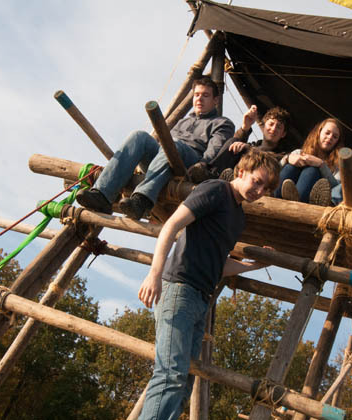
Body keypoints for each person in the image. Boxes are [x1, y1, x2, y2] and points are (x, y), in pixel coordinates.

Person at [137, 148, 281, 420]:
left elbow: (220, 265)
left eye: (266, 188)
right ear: (241, 171)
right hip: (179, 288)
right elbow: (172, 225)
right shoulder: (215, 190)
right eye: (257, 181)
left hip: (201, 299)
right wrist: (154, 274)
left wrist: (255, 266)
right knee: (170, 375)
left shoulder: (238, 217)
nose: (260, 191)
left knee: (183, 384)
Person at [76, 76, 234, 220]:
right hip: (165, 158)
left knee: (173, 145)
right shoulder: (183, 121)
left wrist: (202, 167)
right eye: (197, 95)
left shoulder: (222, 123)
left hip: (190, 164)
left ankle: (142, 200)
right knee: (139, 136)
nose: (199, 99)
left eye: (205, 95)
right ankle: (102, 194)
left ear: (215, 100)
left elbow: (214, 152)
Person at [187, 105, 291, 182]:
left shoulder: (282, 154)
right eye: (271, 124)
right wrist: (245, 127)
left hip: (254, 182)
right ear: (263, 126)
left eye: (278, 127)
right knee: (233, 142)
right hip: (232, 174)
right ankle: (210, 173)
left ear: (283, 134)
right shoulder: (254, 145)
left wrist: (250, 150)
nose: (273, 129)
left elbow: (274, 159)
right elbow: (235, 142)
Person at [273, 118, 343, 204]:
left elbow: (337, 188)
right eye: (327, 133)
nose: (330, 137)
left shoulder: (337, 164)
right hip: (278, 195)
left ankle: (296, 201)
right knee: (290, 167)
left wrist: (321, 165)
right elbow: (275, 173)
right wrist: (287, 158)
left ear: (337, 142)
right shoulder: (299, 152)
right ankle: (275, 197)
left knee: (312, 170)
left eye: (335, 137)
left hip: (305, 202)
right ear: (319, 133)